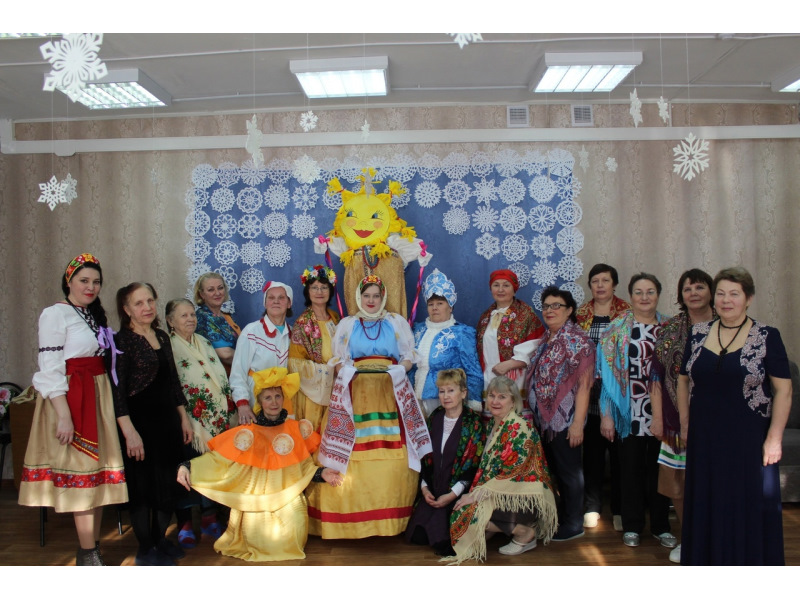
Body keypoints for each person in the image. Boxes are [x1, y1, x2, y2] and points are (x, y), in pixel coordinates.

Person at [18, 253, 128, 566]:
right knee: (82, 472)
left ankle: (91, 548)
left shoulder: (91, 315)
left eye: (96, 282)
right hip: (71, 398)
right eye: (84, 280)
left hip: (97, 395)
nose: (91, 287)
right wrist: (64, 415)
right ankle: (88, 553)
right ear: (69, 281)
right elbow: (50, 366)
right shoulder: (55, 314)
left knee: (98, 475)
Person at [677, 267, 792, 565]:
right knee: (708, 501)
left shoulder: (767, 336)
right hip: (704, 438)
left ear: (748, 298)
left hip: (748, 439)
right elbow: (683, 379)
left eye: (734, 294)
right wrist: (685, 423)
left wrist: (774, 438)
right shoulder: (698, 333)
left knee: (746, 504)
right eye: (721, 294)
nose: (726, 300)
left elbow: (784, 390)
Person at [309, 274, 432, 538]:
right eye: (366, 295)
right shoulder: (348, 324)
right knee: (350, 450)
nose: (371, 300)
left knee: (393, 456)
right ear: (359, 297)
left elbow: (408, 356)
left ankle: (390, 520)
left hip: (389, 391)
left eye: (376, 295)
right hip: (356, 393)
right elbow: (339, 360)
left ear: (383, 297)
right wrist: (347, 372)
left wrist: (401, 370)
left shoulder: (396, 322)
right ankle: (348, 519)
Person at [177, 367, 343, 561]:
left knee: (294, 534)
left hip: (287, 496)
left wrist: (322, 473)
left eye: (278, 396)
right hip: (254, 499)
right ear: (259, 401)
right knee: (258, 537)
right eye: (268, 397)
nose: (274, 402)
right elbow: (219, 460)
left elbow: (303, 468)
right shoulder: (247, 432)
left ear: (284, 399)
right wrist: (187, 466)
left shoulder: (295, 429)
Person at [113, 282, 193, 566]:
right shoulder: (121, 342)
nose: (147, 307)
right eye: (138, 303)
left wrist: (183, 418)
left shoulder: (161, 335)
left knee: (168, 484)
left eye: (150, 301)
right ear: (126, 310)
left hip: (167, 422)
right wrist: (129, 433)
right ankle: (145, 549)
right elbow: (117, 393)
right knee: (143, 488)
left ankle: (160, 540)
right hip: (140, 425)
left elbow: (173, 381)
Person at [596, 273, 674, 549]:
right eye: (639, 292)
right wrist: (607, 415)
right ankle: (632, 525)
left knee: (660, 470)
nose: (644, 297)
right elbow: (606, 379)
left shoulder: (670, 328)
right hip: (627, 412)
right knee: (630, 471)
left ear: (658, 295)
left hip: (663, 413)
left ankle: (661, 527)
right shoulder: (615, 329)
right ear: (630, 296)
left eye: (650, 291)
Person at [447, 376, 557, 563]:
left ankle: (525, 532)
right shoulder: (494, 424)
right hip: (501, 493)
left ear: (513, 401)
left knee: (467, 514)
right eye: (492, 396)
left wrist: (475, 496)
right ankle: (497, 527)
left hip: (522, 498)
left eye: (502, 397)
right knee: (463, 510)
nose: (495, 401)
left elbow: (510, 474)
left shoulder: (520, 428)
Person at [648, 268, 714, 563]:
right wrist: (658, 419)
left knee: (714, 482)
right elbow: (656, 376)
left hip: (717, 420)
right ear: (680, 295)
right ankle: (689, 539)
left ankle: (716, 537)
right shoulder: (671, 329)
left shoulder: (727, 325)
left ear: (711, 291)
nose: (693, 293)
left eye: (699, 287)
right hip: (675, 421)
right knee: (678, 483)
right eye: (687, 289)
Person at [166, 298, 236, 549]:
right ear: (170, 321)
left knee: (210, 466)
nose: (190, 319)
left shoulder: (204, 342)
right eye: (183, 315)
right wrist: (185, 417)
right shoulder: (168, 347)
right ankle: (185, 523)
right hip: (187, 421)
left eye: (192, 315)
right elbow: (173, 385)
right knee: (187, 467)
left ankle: (208, 517)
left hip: (215, 418)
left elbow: (218, 378)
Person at [526, 286, 594, 542]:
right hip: (545, 422)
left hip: (565, 421)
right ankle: (561, 518)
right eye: (546, 306)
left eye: (557, 306)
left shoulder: (578, 341)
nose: (550, 310)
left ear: (570, 310)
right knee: (555, 471)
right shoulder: (547, 339)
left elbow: (584, 386)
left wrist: (577, 424)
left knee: (569, 472)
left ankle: (574, 523)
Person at [405, 368, 485, 556]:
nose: (446, 396)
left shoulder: (473, 423)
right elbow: (425, 457)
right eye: (442, 391)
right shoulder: (435, 417)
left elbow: (473, 466)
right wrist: (425, 489)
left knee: (443, 542)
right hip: (433, 491)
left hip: (457, 494)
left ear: (463, 393)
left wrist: (451, 495)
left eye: (451, 391)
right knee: (416, 536)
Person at [576, 263, 630, 530]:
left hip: (618, 394)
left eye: (605, 280)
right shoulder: (581, 314)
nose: (600, 285)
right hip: (588, 393)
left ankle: (619, 508)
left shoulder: (627, 313)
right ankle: (592, 505)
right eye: (595, 281)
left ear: (614, 284)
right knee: (592, 455)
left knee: (621, 456)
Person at [410, 269, 483, 417]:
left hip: (446, 400)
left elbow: (473, 371)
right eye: (430, 304)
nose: (435, 308)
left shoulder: (461, 333)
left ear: (450, 306)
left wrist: (473, 403)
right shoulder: (417, 330)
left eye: (440, 303)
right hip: (415, 399)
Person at [475, 269, 544, 421]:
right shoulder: (486, 316)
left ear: (514, 289)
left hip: (515, 380)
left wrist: (511, 363)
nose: (500, 289)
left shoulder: (525, 314)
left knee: (513, 425)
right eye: (496, 285)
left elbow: (538, 344)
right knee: (492, 424)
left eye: (506, 285)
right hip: (489, 380)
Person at [229, 281, 293, 425]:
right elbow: (238, 372)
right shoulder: (251, 332)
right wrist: (242, 403)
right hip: (255, 401)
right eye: (271, 297)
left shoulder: (293, 334)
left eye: (281, 297)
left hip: (282, 403)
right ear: (265, 303)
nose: (276, 301)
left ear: (289, 303)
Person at [288, 265, 341, 431]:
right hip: (313, 393)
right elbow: (295, 364)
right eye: (315, 288)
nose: (320, 292)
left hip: (336, 386)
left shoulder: (335, 318)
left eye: (324, 287)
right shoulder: (303, 323)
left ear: (330, 290)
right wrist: (329, 370)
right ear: (308, 291)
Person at [193, 272, 240, 374]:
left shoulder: (226, 316)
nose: (217, 293)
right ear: (202, 294)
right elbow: (225, 354)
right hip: (220, 377)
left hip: (237, 372)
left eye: (220, 288)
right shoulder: (202, 317)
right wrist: (252, 361)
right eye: (211, 290)